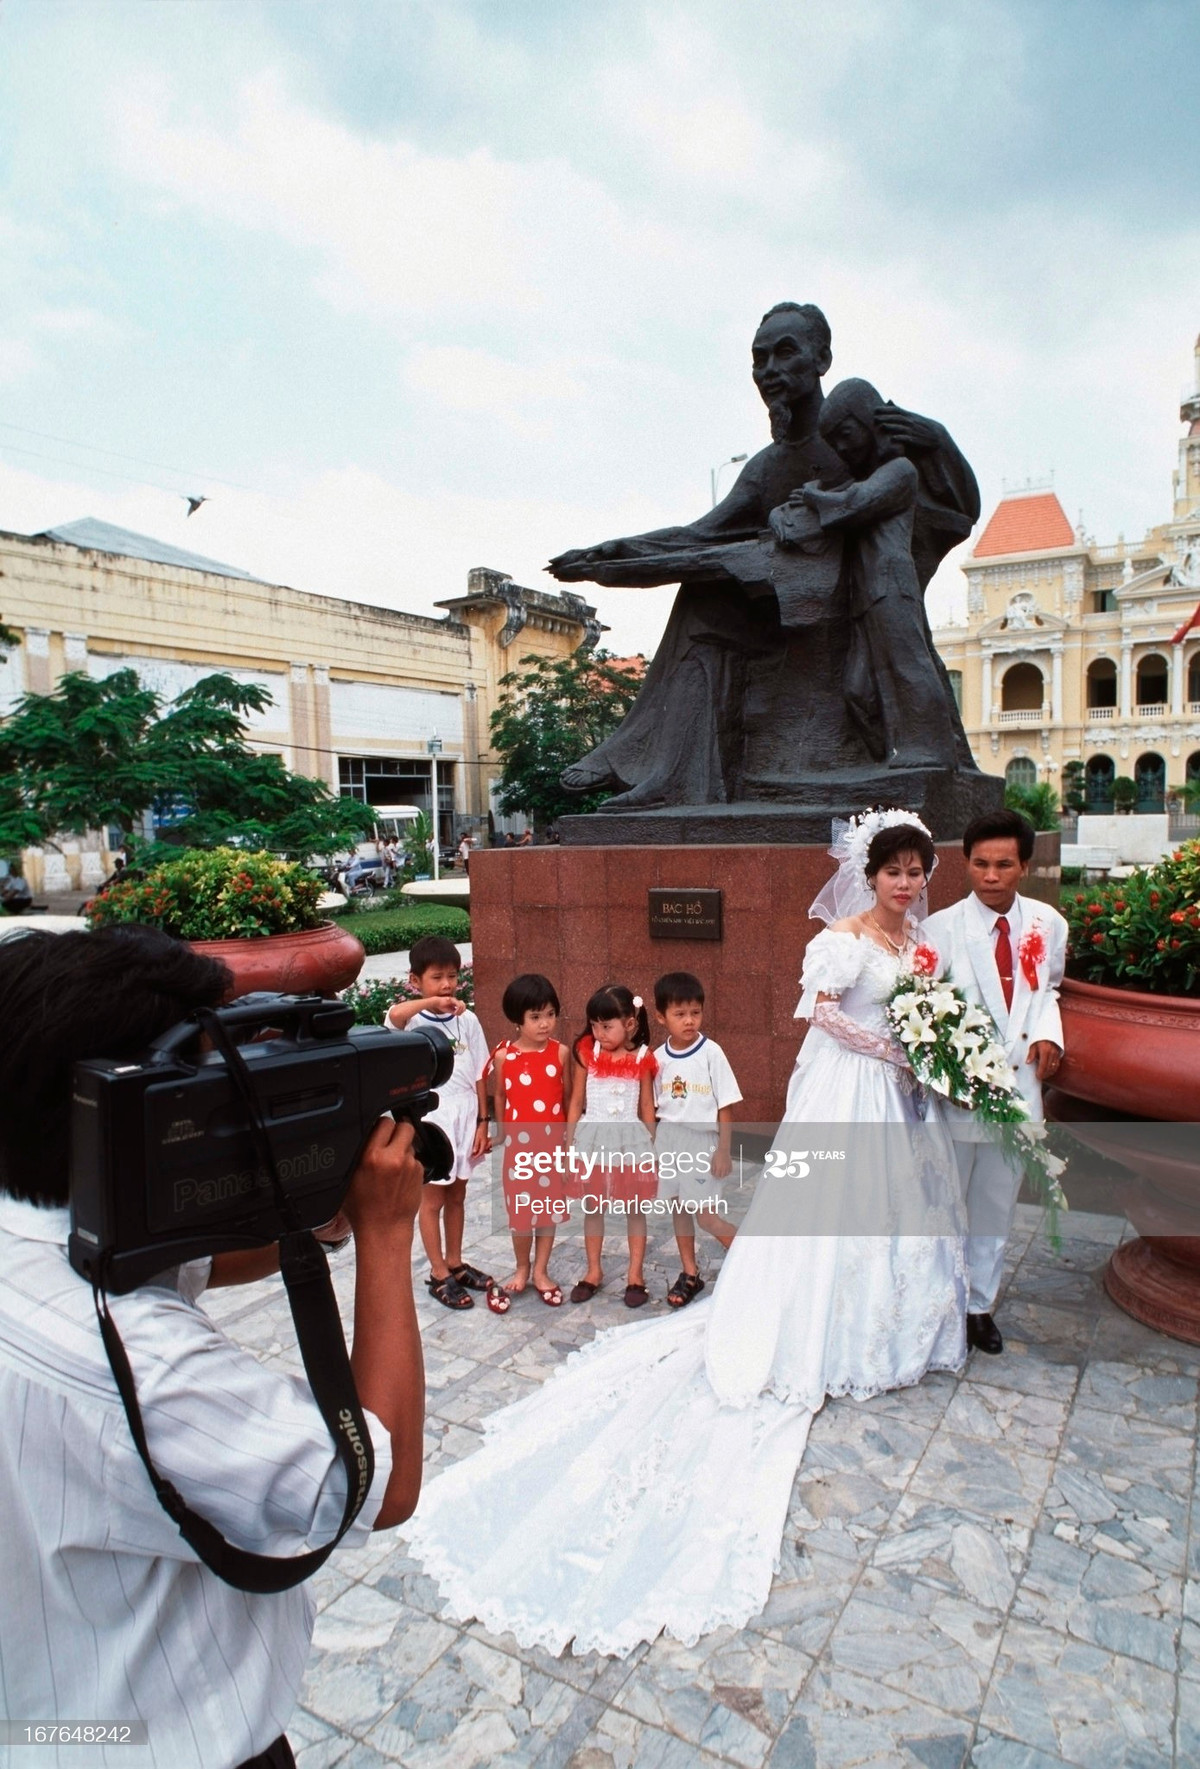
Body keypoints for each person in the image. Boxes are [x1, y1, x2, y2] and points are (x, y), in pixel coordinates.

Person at [403, 811, 965, 1655]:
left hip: (895, 1095)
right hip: (855, 1085)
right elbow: (819, 1013)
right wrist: (892, 1046)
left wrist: (926, 1050)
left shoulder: (918, 945)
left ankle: (893, 1323)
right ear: (869, 872)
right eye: (894, 870)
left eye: (918, 871)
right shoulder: (842, 941)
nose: (907, 883)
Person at [0, 925, 426, 1769]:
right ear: (129, 1103)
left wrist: (321, 1213)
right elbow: (376, 1483)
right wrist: (384, 1234)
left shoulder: (35, 1232)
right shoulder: (138, 1367)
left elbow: (184, 1256)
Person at [549, 302, 980, 806]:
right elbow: (701, 533)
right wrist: (616, 554)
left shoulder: (864, 435)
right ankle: (671, 777)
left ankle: (905, 751)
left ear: (822, 358)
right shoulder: (767, 466)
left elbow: (955, 507)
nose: (770, 370)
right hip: (780, 609)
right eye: (759, 359)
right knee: (704, 600)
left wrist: (940, 443)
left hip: (858, 608)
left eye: (785, 352)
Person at [923, 809, 1066, 1355]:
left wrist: (1050, 1034)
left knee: (995, 1204)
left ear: (1023, 866)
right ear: (966, 865)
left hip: (1018, 1091)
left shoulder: (1048, 924)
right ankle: (941, 1298)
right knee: (948, 1200)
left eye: (1003, 864)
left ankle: (979, 1305)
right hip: (960, 1093)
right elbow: (925, 1010)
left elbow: (1049, 990)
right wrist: (944, 1074)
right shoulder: (939, 930)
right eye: (980, 864)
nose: (990, 875)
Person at [774, 376, 958, 769]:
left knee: (907, 665)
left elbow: (853, 505)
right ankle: (890, 754)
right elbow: (825, 502)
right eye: (834, 441)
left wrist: (813, 496)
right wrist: (788, 510)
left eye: (845, 434)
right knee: (858, 688)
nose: (842, 448)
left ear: (870, 422)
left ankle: (931, 751)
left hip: (892, 585)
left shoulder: (900, 471)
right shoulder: (865, 477)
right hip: (866, 594)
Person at [385, 935, 504, 1314]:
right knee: (433, 1198)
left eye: (452, 976)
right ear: (416, 981)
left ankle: (455, 1261)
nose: (448, 985)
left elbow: (481, 1070)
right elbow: (393, 1019)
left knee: (458, 1194)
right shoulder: (413, 1019)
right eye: (437, 977)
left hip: (466, 1115)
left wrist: (484, 1121)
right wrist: (430, 1002)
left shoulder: (467, 1020)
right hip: (433, 1121)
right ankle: (438, 1272)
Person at [565, 984, 658, 1309]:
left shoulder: (643, 1058)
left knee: (635, 1208)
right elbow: (576, 1101)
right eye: (594, 1025)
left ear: (629, 1023)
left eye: (607, 1026)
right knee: (593, 1205)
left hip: (630, 1141)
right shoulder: (587, 1053)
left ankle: (635, 1274)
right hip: (593, 1139)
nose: (599, 1033)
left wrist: (651, 1149)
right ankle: (594, 1270)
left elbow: (647, 1106)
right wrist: (569, 1144)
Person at [651, 970, 741, 1306]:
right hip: (669, 1140)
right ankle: (690, 1273)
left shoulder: (711, 1053)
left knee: (706, 1215)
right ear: (661, 1017)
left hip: (701, 1143)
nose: (689, 1021)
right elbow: (653, 1106)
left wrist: (723, 1150)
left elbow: (726, 1104)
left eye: (695, 1012)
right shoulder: (657, 1059)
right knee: (679, 1207)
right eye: (680, 1014)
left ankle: (751, 1259)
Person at [491, 973, 569, 1306]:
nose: (544, 1024)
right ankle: (521, 1268)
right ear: (517, 1019)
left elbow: (566, 1099)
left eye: (550, 1014)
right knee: (522, 1212)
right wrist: (502, 1129)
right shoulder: (504, 1057)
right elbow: (499, 1095)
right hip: (519, 1151)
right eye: (535, 1017)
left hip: (552, 1148)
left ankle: (541, 1270)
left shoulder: (561, 1054)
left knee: (547, 1210)